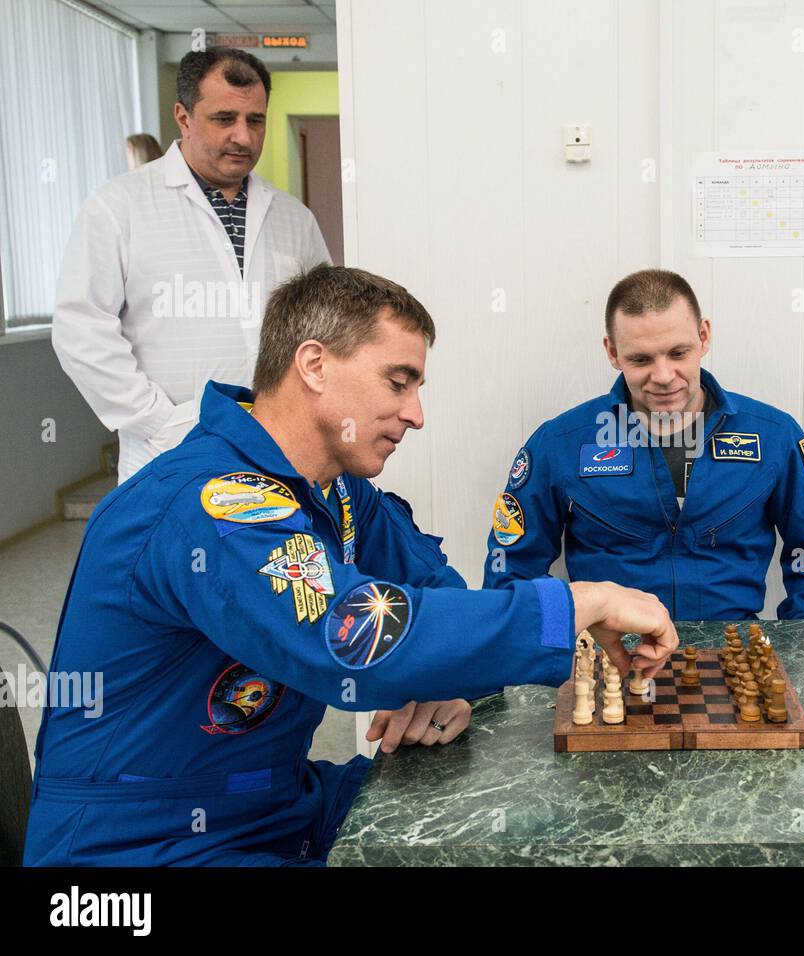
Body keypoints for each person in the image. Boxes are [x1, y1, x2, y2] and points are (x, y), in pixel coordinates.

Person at [24, 265, 677, 866]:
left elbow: (432, 593)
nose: (416, 414)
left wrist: (439, 678)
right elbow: (351, 636)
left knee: (521, 830)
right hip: (142, 842)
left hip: (277, 802)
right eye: (398, 382)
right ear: (313, 364)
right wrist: (578, 603)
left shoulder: (333, 487)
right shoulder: (214, 504)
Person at [481, 268, 804, 621]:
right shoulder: (560, 444)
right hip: (609, 660)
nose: (663, 376)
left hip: (733, 661)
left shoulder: (774, 436)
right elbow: (512, 566)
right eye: (641, 359)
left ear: (704, 336)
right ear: (612, 353)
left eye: (678, 353)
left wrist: (799, 654)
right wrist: (553, 652)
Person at [53, 46, 331, 483]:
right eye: (225, 119)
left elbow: (323, 327)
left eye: (255, 120)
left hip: (279, 453)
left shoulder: (293, 217)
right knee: (177, 550)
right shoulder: (119, 206)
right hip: (167, 455)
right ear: (183, 117)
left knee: (272, 552)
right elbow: (80, 329)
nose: (243, 136)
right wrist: (160, 422)